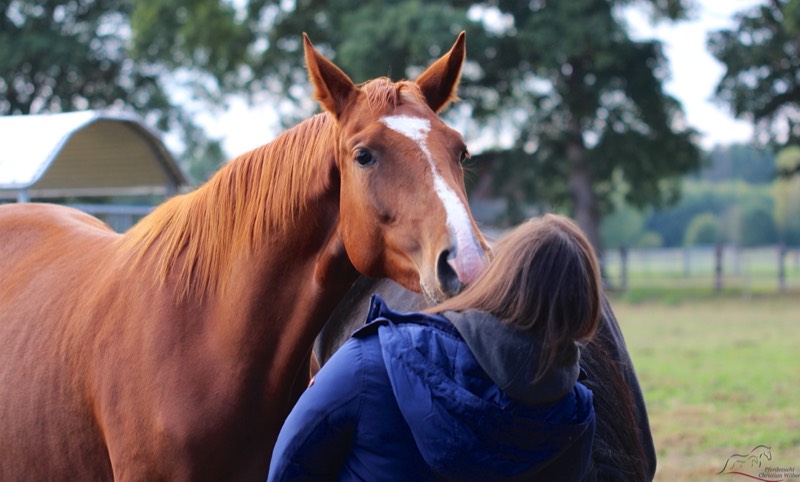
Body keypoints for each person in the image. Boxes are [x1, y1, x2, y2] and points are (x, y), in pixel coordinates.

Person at [268, 214, 603, 481]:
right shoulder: (576, 421)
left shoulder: (375, 360)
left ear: (498, 279)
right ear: (584, 312)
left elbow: (289, 465)